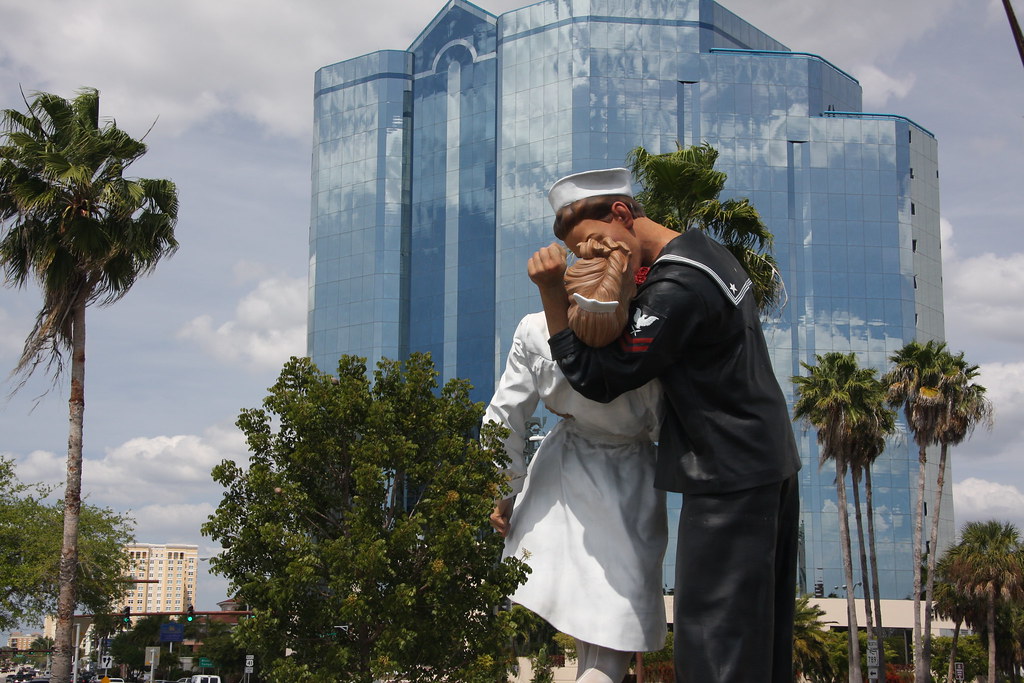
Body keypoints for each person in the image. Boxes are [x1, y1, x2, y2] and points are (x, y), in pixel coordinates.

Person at [528, 167, 802, 683]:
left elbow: (601, 378)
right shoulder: (707, 252)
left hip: (730, 475)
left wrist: (552, 295)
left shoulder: (678, 286)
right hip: (765, 461)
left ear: (623, 214)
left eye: (592, 242)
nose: (590, 256)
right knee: (759, 645)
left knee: (712, 647)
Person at [485, 235, 668, 683]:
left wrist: (504, 490)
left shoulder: (534, 329)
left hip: (561, 478)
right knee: (614, 628)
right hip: (631, 485)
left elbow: (502, 418)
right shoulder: (654, 339)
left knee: (593, 618)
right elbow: (673, 425)